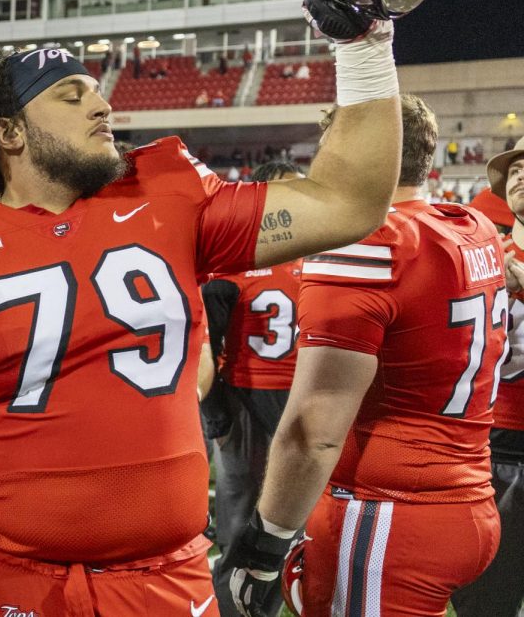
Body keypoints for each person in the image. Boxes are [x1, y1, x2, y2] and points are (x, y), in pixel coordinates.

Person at [0, 26, 401, 617]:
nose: (102, 104)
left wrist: (363, 41)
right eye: (70, 95)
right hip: (17, 580)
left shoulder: (170, 195)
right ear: (9, 132)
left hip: (169, 576)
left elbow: (351, 200)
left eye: (95, 90)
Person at [221, 96, 508, 617]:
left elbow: (315, 430)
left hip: (391, 513)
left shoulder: (370, 244)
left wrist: (267, 542)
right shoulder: (471, 227)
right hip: (469, 500)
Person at [200, 163, 304, 582]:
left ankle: (283, 583)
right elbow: (204, 348)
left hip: (303, 397)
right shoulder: (231, 261)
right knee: (242, 506)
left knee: (299, 508)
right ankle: (230, 591)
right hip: (246, 395)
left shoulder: (321, 252)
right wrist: (218, 420)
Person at [451, 136, 524, 617]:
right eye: (514, 169)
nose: (518, 174)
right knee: (485, 597)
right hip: (496, 441)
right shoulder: (486, 257)